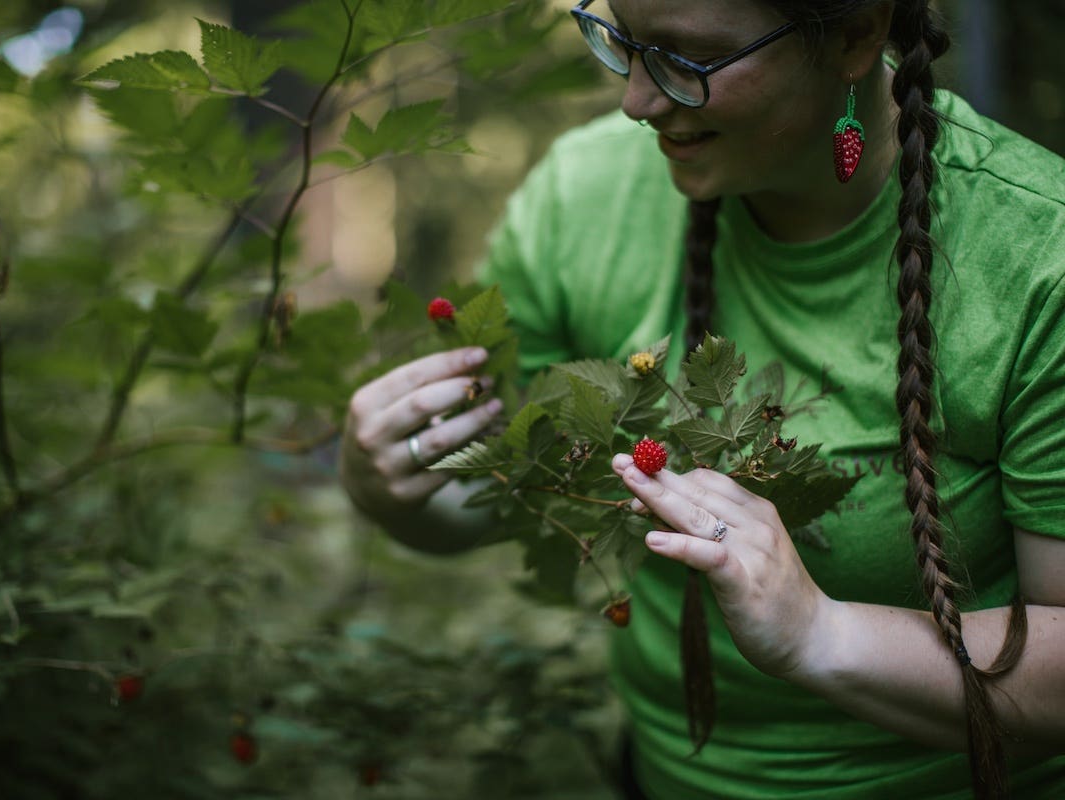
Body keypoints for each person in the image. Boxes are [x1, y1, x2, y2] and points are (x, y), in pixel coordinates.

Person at [339, 1, 1065, 797]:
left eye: (689, 60)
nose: (637, 101)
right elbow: (524, 494)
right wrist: (391, 491)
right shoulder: (581, 198)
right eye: (623, 38)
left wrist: (818, 634)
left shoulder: (1035, 259)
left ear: (856, 35)